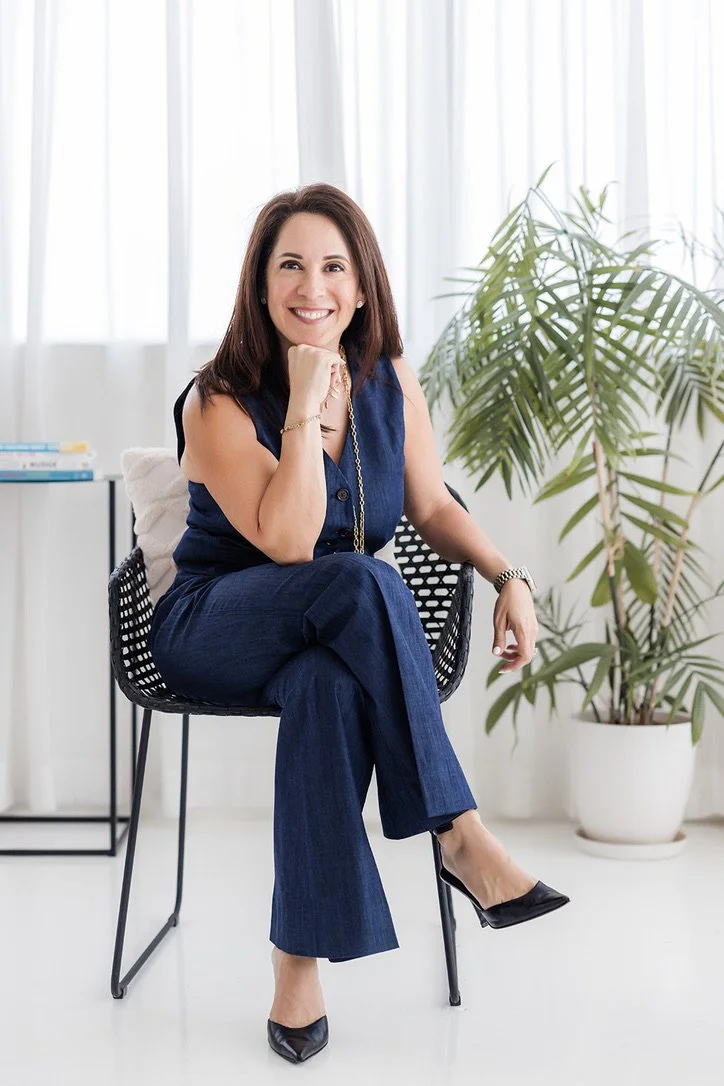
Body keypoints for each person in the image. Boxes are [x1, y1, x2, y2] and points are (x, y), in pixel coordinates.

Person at [148, 182, 570, 1065]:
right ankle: (459, 835)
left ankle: (296, 964)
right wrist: (303, 403)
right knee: (362, 581)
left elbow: (431, 504)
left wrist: (509, 574)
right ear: (261, 287)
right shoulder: (217, 399)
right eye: (291, 266)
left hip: (321, 639)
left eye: (334, 267)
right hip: (215, 623)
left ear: (363, 286)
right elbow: (292, 543)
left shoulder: (390, 385)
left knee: (325, 685)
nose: (314, 287)